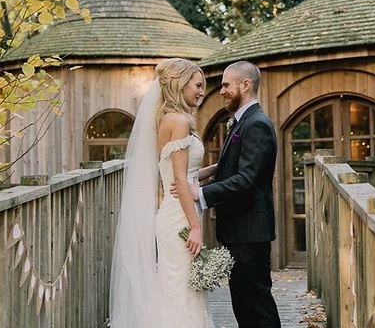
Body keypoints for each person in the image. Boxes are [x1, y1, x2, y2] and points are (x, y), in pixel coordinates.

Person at [109, 58, 216, 328]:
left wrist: (217, 167)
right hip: (179, 218)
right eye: (198, 85)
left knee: (180, 285)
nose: (202, 92)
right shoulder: (178, 121)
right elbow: (179, 179)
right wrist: (194, 227)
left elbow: (184, 177)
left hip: (177, 210)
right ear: (181, 84)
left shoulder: (170, 119)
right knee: (182, 287)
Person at [183, 60, 281, 327]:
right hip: (239, 231)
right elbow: (234, 167)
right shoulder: (241, 121)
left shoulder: (256, 124)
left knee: (258, 307)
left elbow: (246, 179)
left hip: (250, 232)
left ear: (245, 84)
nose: (222, 90)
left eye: (226, 84)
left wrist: (201, 193)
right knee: (244, 305)